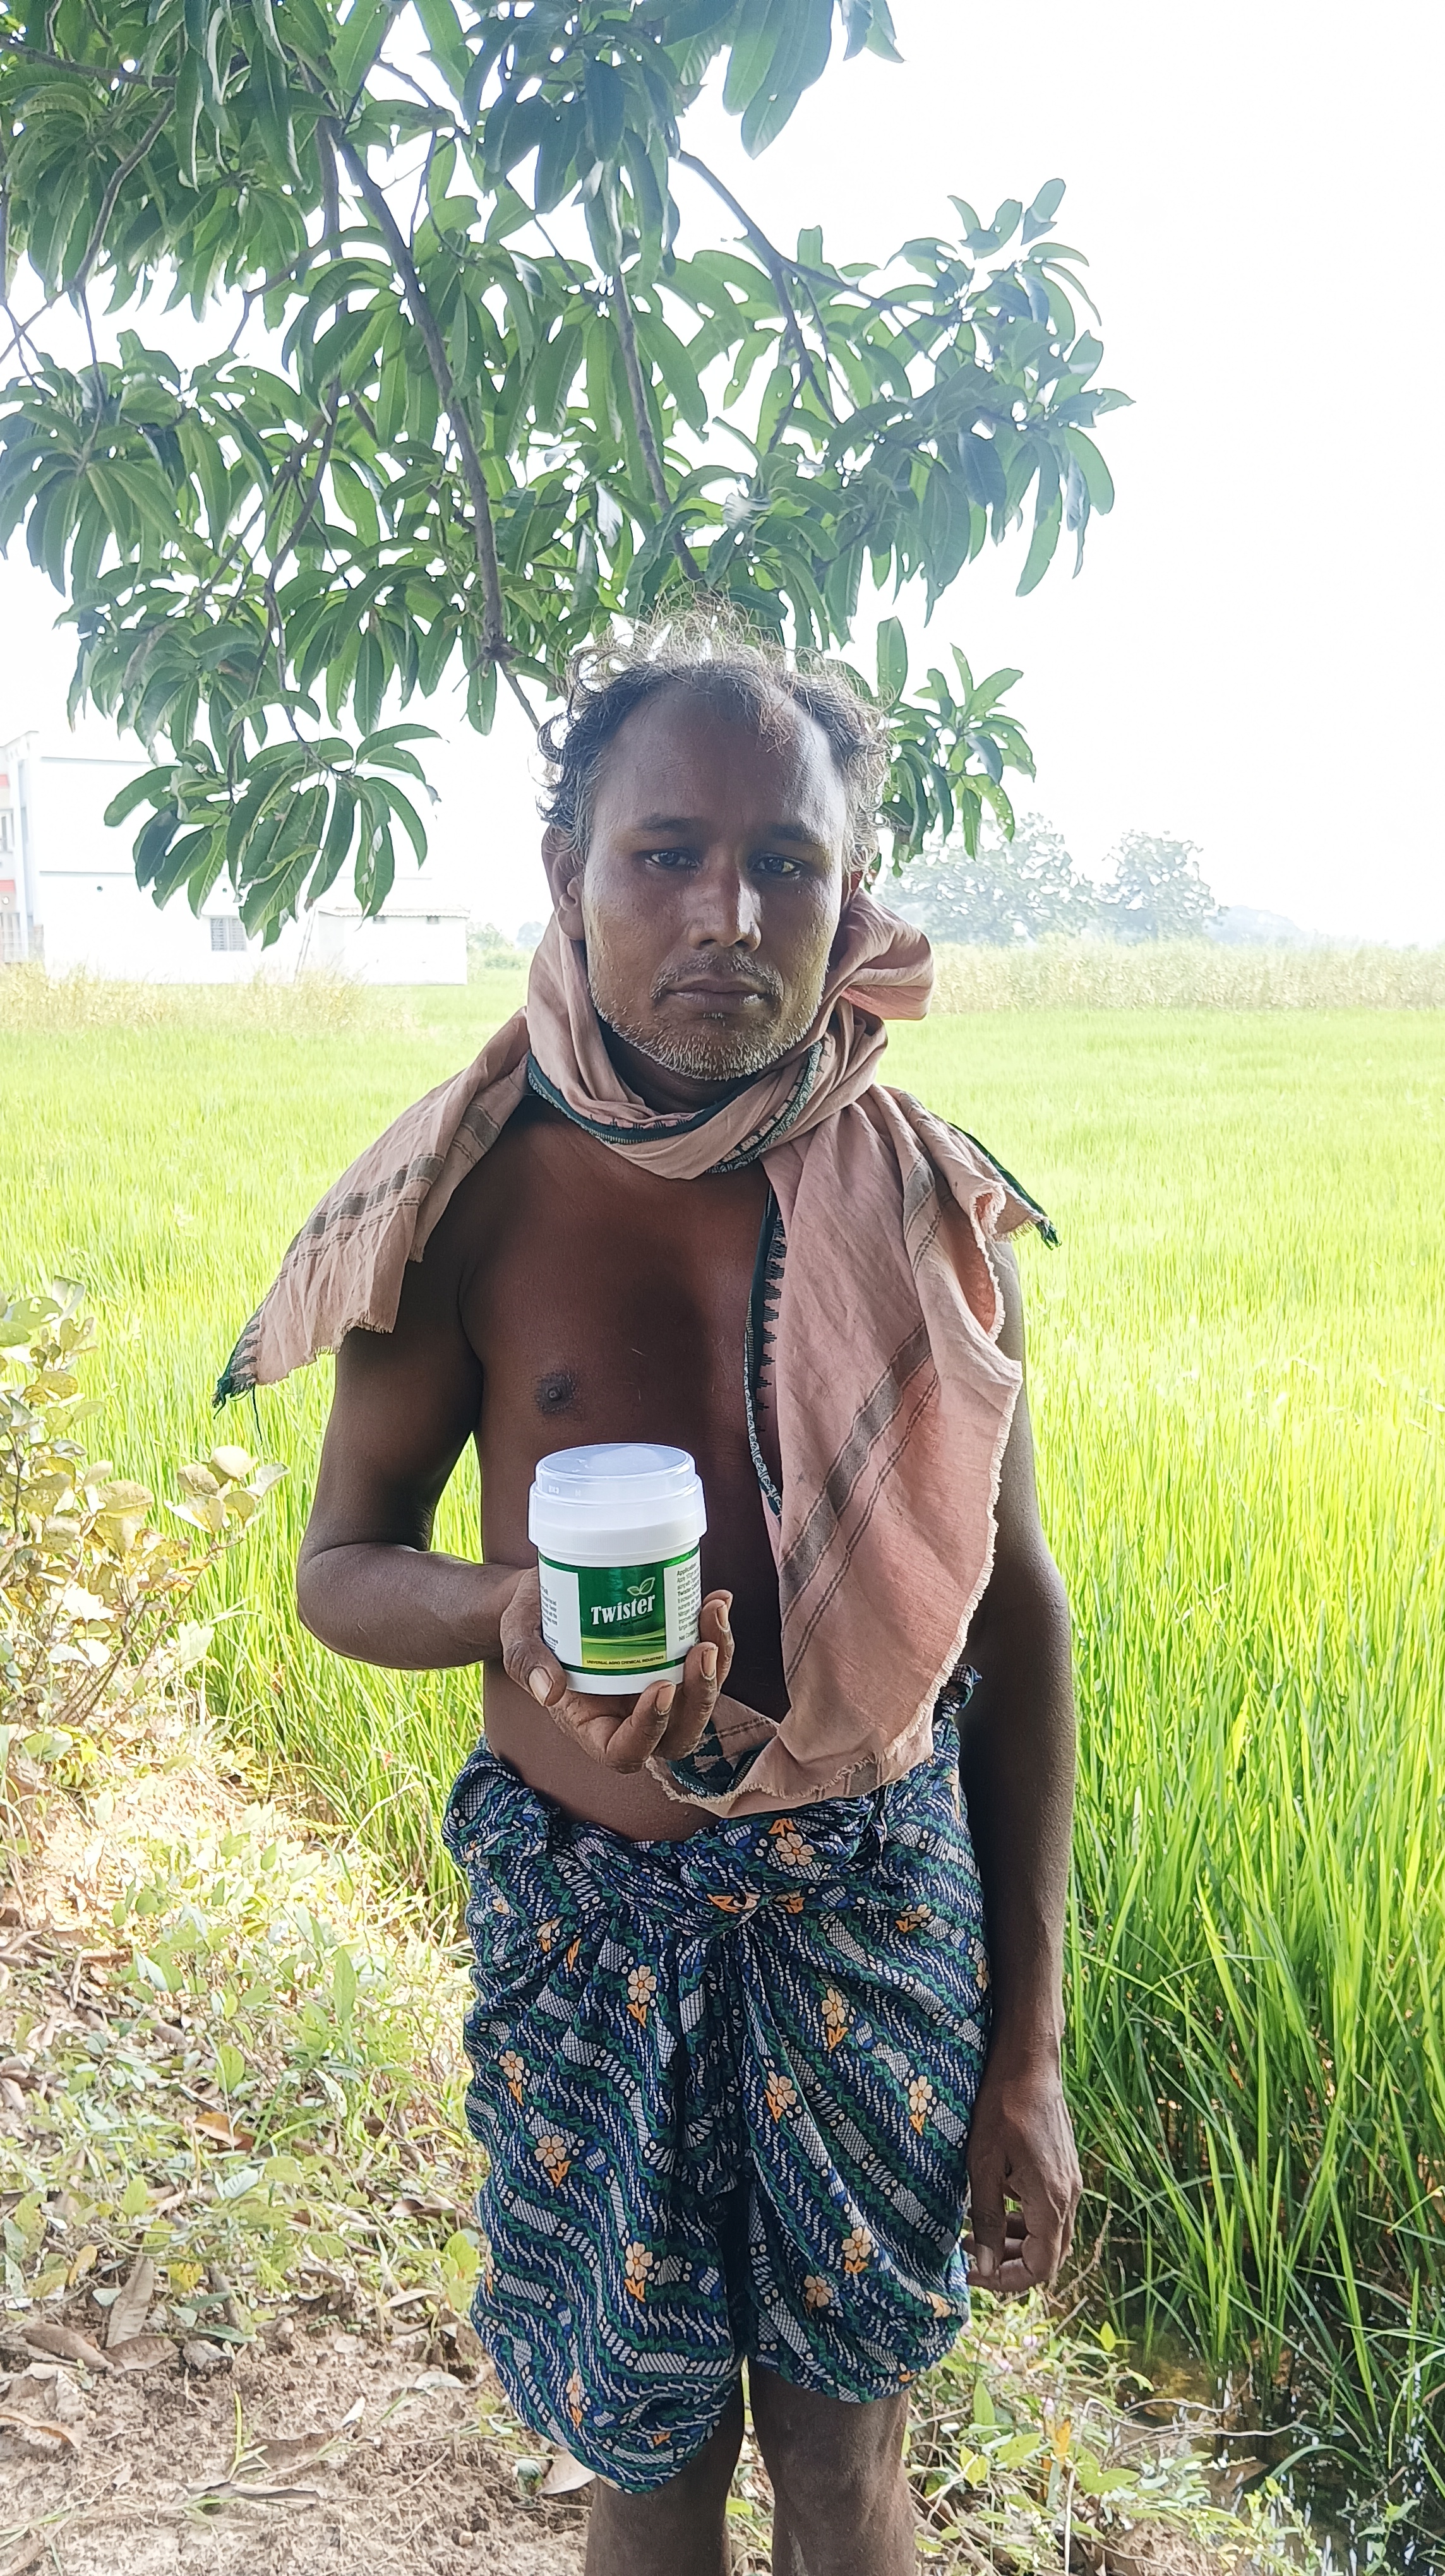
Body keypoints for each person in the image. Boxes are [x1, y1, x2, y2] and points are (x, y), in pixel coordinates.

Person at [224, 623, 1080, 2576]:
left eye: (785, 861)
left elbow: (1017, 1614)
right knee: (649, 2471)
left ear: (850, 891)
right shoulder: (466, 1200)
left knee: (848, 2466)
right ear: (570, 874)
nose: (728, 915)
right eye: (666, 853)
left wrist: (1028, 2052)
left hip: (874, 1909)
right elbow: (341, 1570)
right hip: (586, 1933)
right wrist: (503, 1615)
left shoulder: (930, 1205)